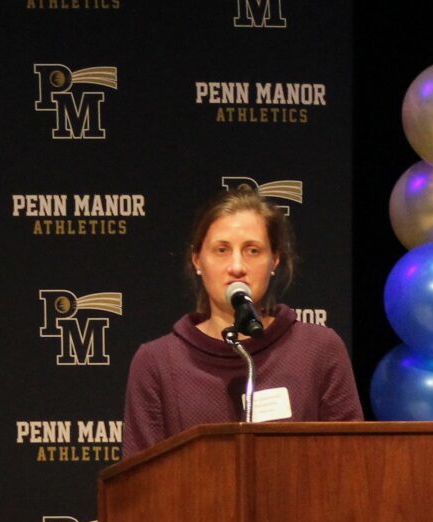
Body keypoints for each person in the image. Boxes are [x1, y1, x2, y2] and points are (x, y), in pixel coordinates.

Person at [122, 189, 362, 457]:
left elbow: (349, 466)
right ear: (197, 260)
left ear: (275, 260)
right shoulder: (157, 363)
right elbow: (140, 484)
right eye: (222, 250)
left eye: (252, 250)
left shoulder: (319, 349)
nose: (237, 266)